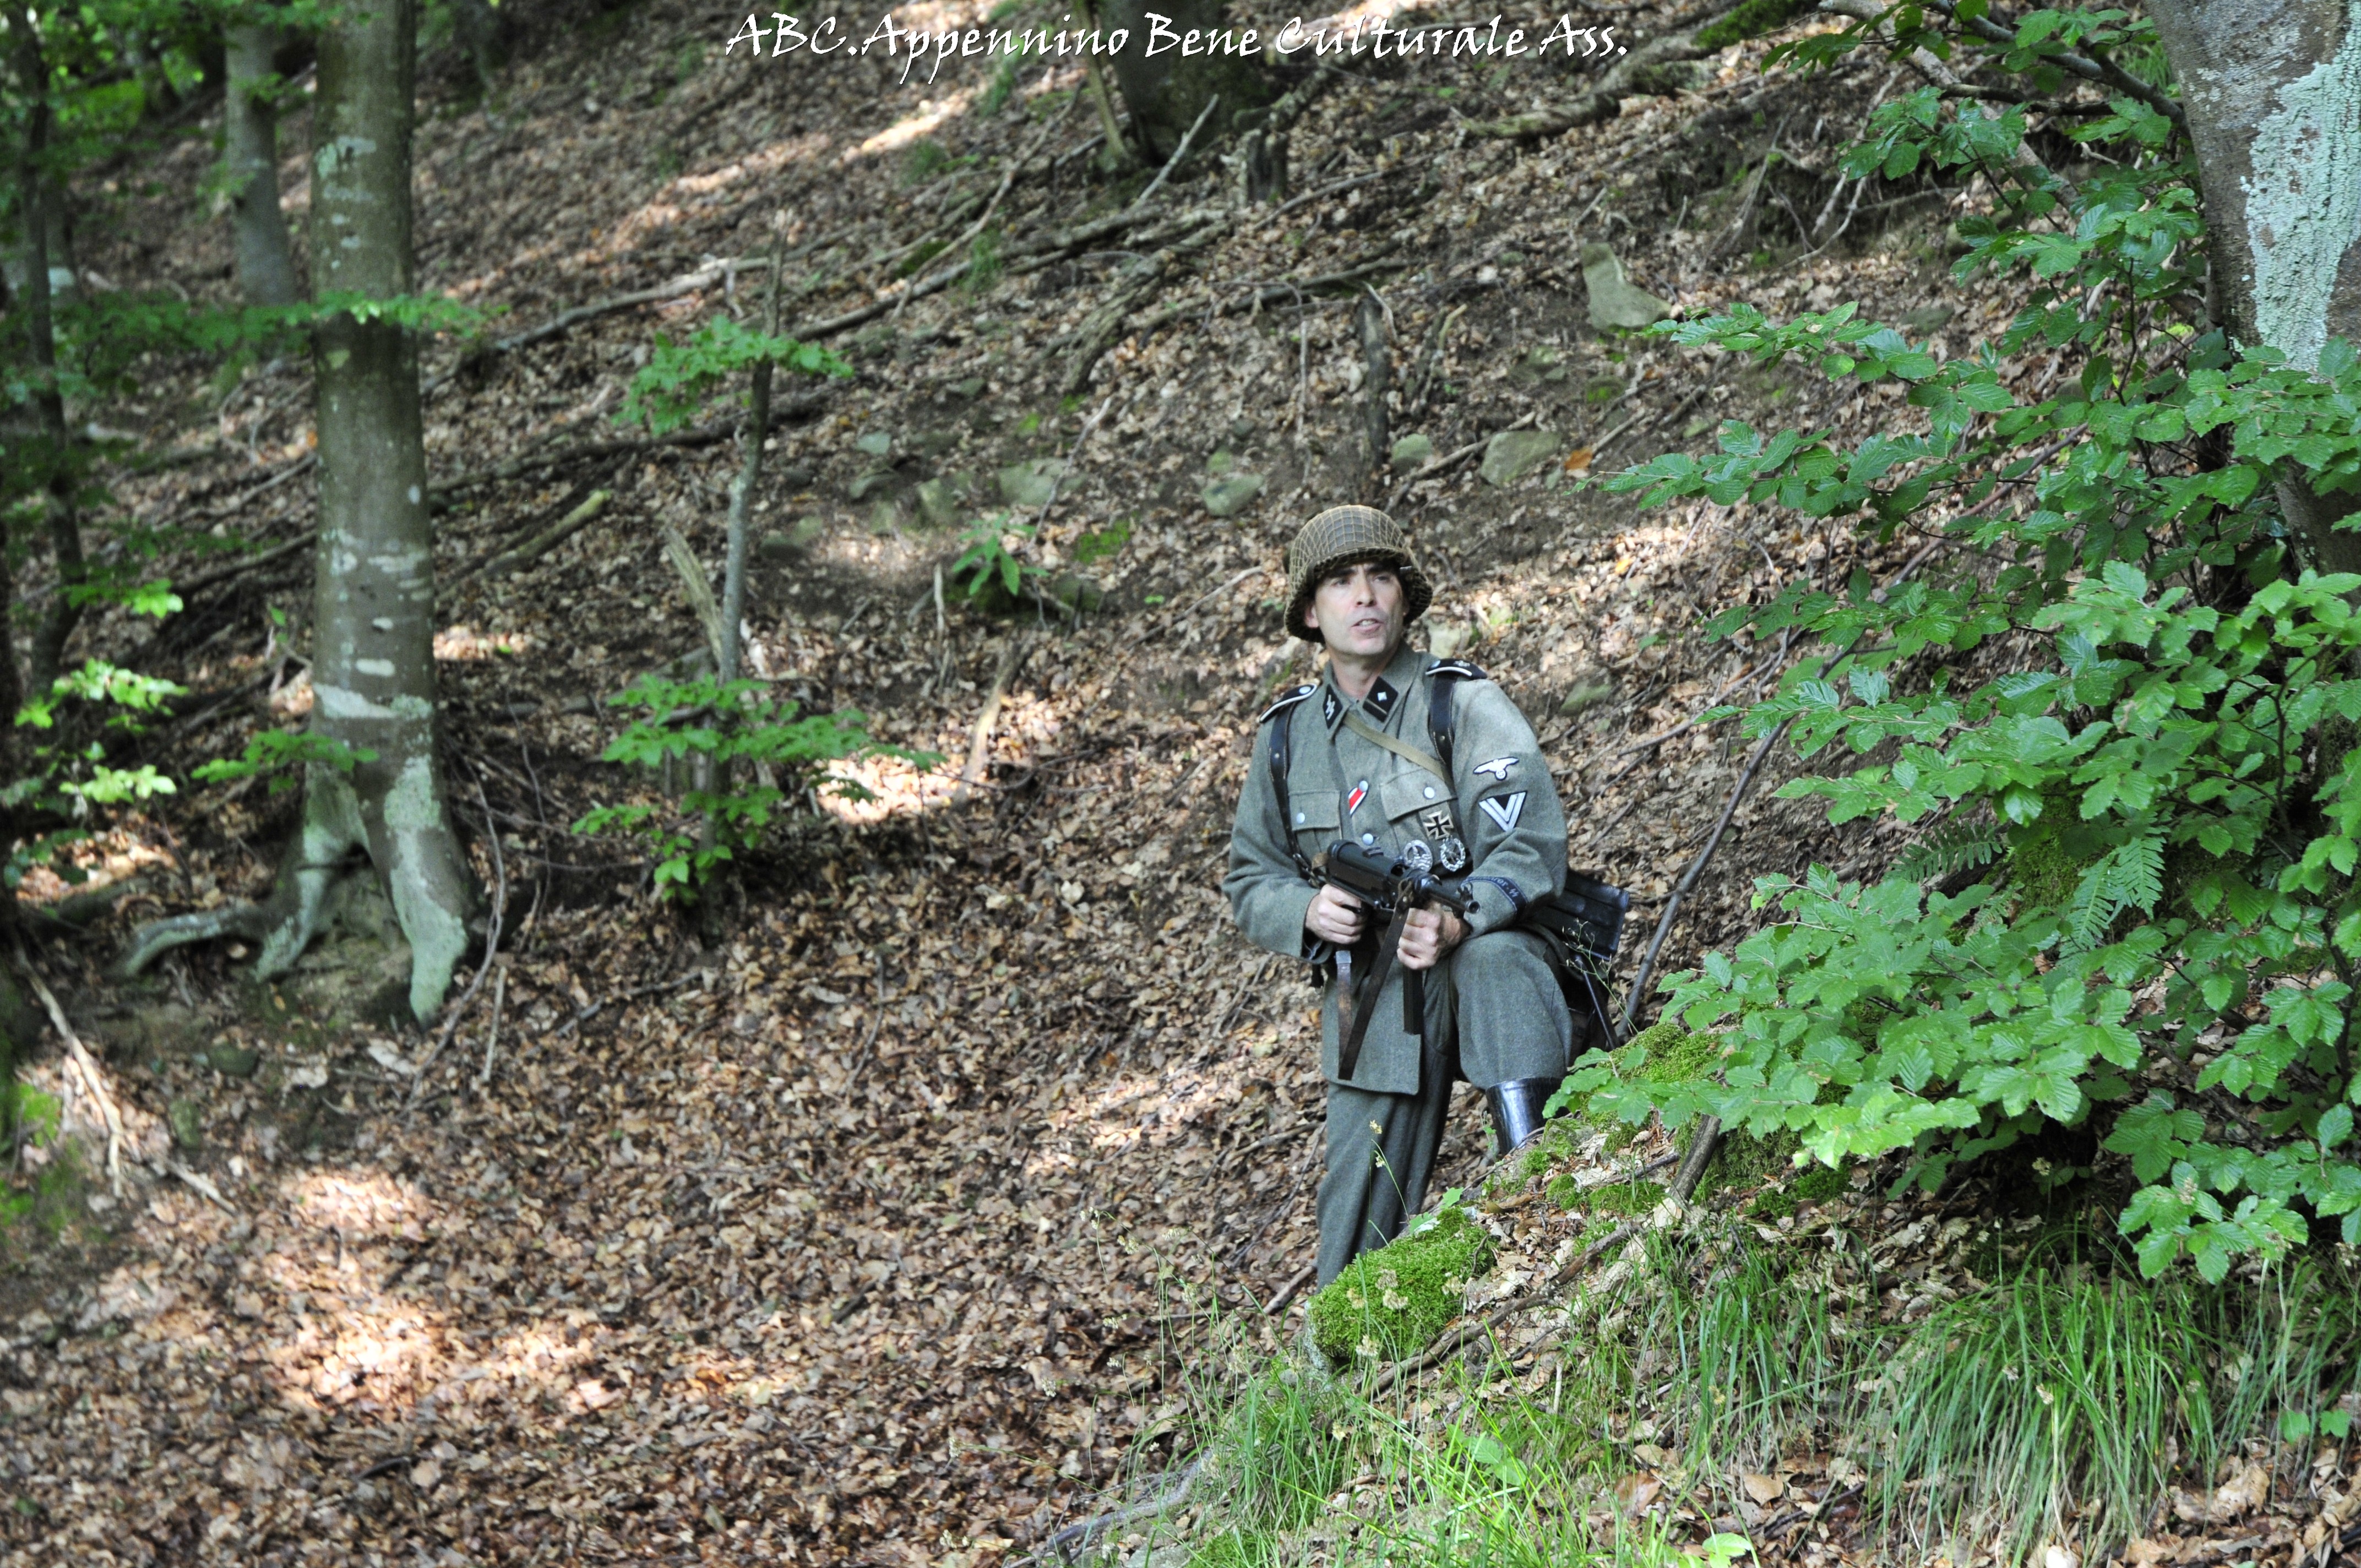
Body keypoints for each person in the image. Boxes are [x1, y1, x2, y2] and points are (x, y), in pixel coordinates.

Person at [1225, 506, 1574, 1287]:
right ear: (1310, 614)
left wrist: (1460, 916)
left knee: (1497, 964)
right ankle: (1351, 1348)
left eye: (1380, 577)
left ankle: (1550, 1208)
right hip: (1375, 990)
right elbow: (1251, 876)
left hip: (1483, 956)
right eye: (1341, 584)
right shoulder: (1285, 739)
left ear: (1404, 597)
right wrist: (1306, 912)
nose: (1365, 597)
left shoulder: (1461, 704)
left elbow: (1530, 843)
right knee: (1352, 1240)